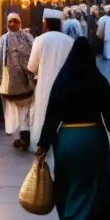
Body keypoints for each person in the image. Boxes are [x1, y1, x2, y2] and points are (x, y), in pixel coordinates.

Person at [37, 38, 110, 220]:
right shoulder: (98, 81)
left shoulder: (62, 80)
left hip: (67, 140)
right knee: (92, 192)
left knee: (68, 191)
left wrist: (43, 145)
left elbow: (52, 115)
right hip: (93, 140)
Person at [27, 8, 75, 147]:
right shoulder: (69, 41)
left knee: (43, 114)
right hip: (65, 85)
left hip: (44, 86)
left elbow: (31, 67)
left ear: (46, 23)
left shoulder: (40, 40)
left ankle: (42, 143)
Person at [0, 12, 35, 151]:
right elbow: (0, 61)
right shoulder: (3, 40)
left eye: (15, 21)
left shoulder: (28, 37)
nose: (12, 24)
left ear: (20, 23)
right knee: (15, 112)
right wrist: (0, 77)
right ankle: (20, 137)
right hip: (12, 82)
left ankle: (24, 136)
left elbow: (33, 56)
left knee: (24, 111)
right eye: (10, 22)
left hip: (26, 82)